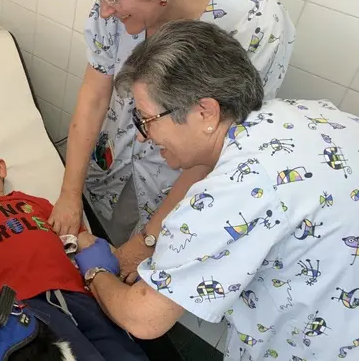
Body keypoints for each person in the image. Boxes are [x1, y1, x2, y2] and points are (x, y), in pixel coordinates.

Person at [72, 19, 359, 361]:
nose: (141, 136)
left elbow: (143, 318)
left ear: (205, 112)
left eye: (147, 120)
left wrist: (95, 270)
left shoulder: (231, 191)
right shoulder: (309, 113)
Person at [51, 0, 296, 284]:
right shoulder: (112, 8)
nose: (104, 9)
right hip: (114, 162)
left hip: (180, 188)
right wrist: (69, 193)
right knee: (98, 257)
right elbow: (94, 97)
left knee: (139, 285)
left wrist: (150, 237)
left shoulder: (254, 23)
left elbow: (221, 141)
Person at [0, 139, 148, 361]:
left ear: (1, 168)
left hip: (78, 292)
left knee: (123, 351)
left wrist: (120, 260)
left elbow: (81, 237)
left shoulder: (36, 203)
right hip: (23, 304)